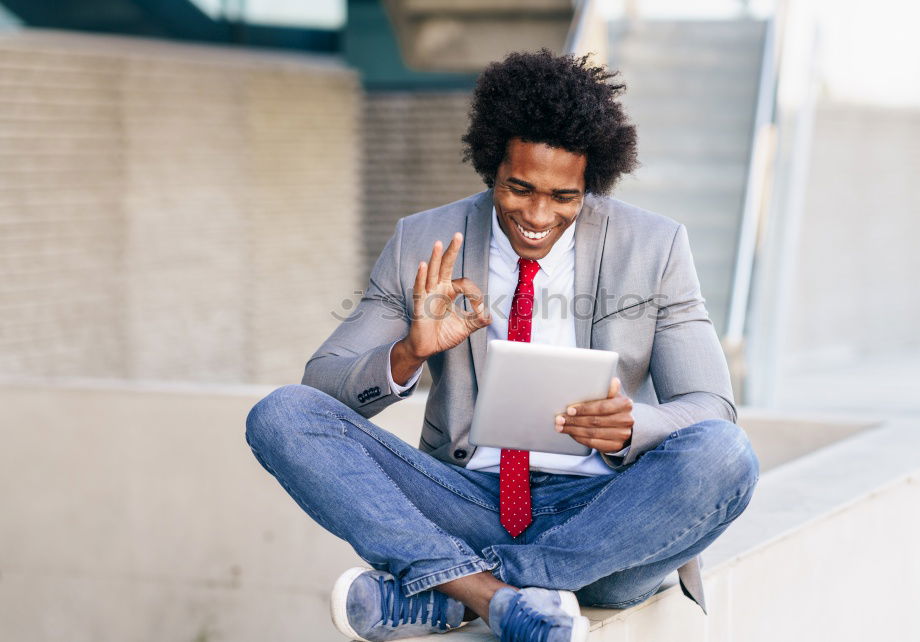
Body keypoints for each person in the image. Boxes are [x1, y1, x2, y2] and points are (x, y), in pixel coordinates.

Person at [245, 48, 759, 642]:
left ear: (591, 184)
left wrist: (631, 427)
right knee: (281, 414)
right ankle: (498, 594)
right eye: (519, 188)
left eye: (564, 197)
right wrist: (409, 352)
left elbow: (710, 406)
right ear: (491, 166)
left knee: (727, 454)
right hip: (463, 503)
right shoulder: (425, 240)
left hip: (606, 520)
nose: (538, 215)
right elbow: (323, 385)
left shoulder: (656, 248)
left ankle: (464, 591)